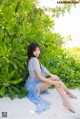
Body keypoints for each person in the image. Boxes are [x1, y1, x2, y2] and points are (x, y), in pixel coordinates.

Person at [24, 42, 77, 114]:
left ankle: (68, 93)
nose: (37, 52)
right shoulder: (34, 60)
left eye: (38, 50)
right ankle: (66, 101)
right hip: (33, 87)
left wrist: (51, 75)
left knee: (56, 79)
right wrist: (53, 82)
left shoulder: (34, 59)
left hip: (32, 84)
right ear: (31, 51)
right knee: (57, 82)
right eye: (35, 50)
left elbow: (43, 69)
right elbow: (40, 77)